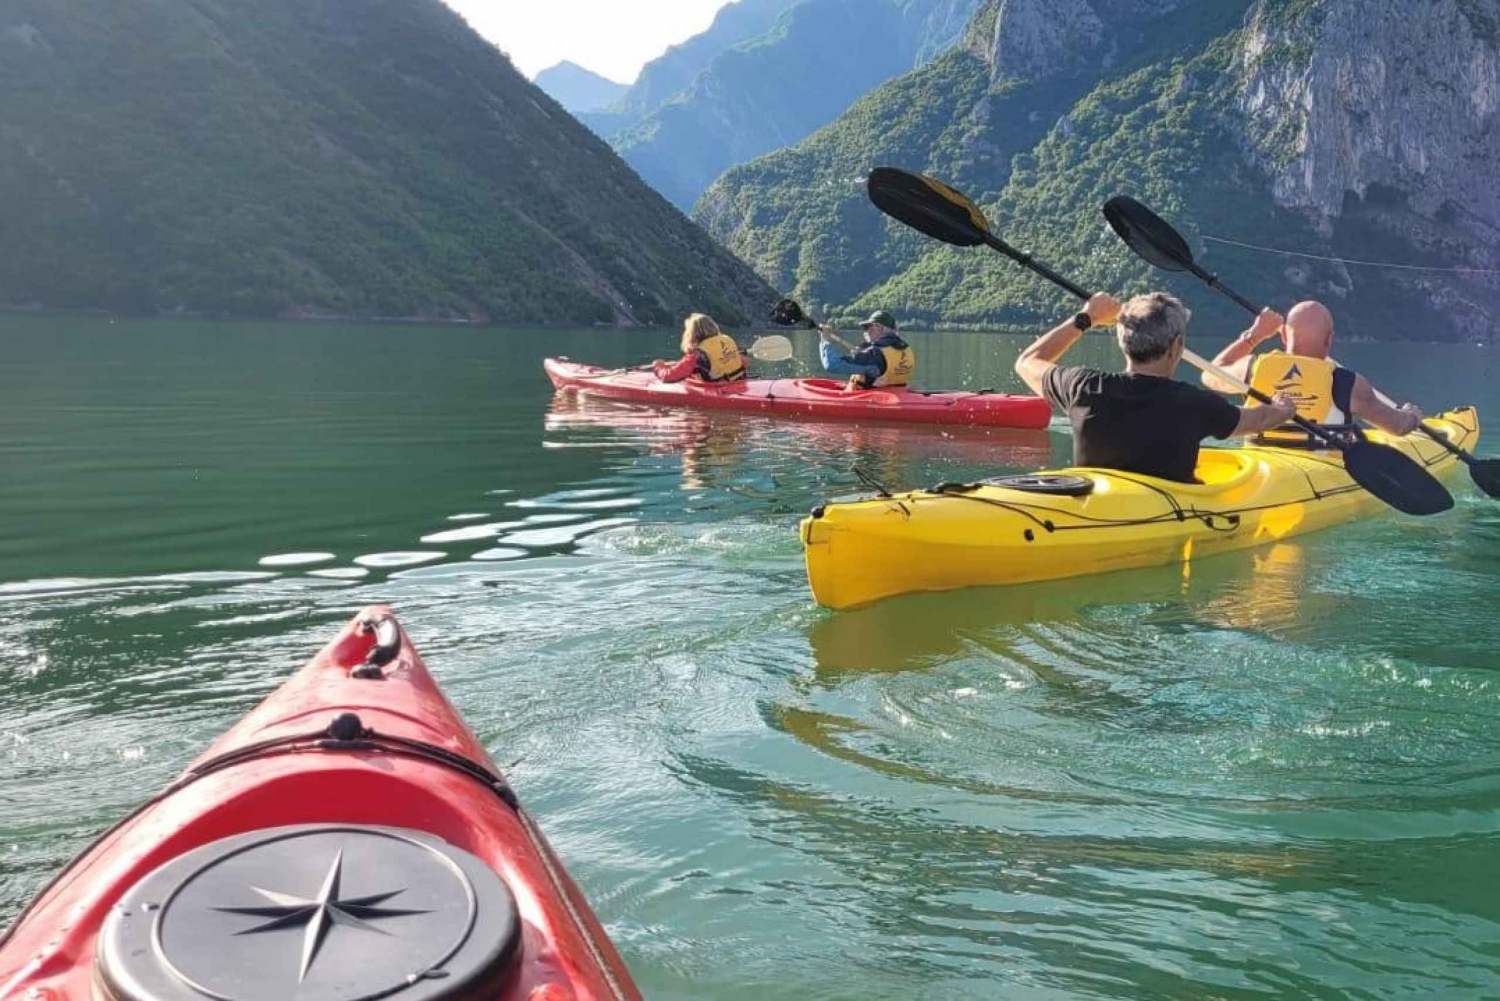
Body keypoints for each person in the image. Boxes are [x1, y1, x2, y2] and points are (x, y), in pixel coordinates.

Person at [1013, 291, 1298, 483]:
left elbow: (1028, 361)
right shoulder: (1195, 404)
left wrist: (1086, 317)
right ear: (1176, 347)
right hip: (1163, 515)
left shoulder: (1084, 386)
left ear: (1122, 341)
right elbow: (1259, 419)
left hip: (1091, 508)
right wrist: (1283, 407)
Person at [1201, 300, 1423, 443]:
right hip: (1319, 471)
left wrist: (1254, 335)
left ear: (1284, 337)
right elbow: (1398, 427)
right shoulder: (1347, 382)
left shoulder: (1254, 367)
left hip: (1260, 469)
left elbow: (1209, 375)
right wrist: (1411, 415)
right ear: (1330, 339)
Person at [817, 310, 915, 389]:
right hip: (897, 395)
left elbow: (831, 365)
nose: (865, 331)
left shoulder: (872, 355)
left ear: (879, 329)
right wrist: (863, 353)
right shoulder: (905, 348)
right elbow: (879, 363)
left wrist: (825, 340)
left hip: (873, 401)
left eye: (867, 327)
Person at [653, 313, 746, 384]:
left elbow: (668, 377)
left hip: (719, 390)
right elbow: (743, 361)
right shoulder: (726, 340)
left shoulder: (697, 355)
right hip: (738, 383)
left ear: (691, 334)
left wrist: (658, 367)